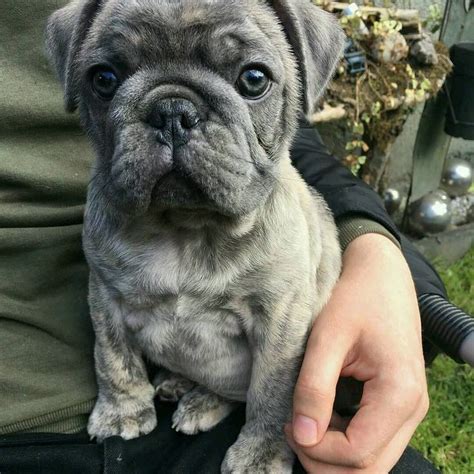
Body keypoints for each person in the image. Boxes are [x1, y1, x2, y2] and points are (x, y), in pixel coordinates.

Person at [0, 2, 446, 473]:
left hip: (264, 387)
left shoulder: (278, 239)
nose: (175, 119)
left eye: (251, 81)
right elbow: (107, 292)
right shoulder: (106, 224)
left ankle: (241, 412)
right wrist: (123, 393)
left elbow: (284, 323)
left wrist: (375, 244)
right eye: (107, 82)